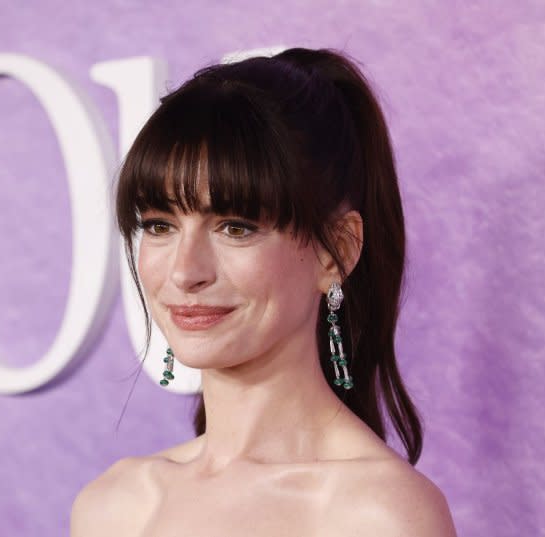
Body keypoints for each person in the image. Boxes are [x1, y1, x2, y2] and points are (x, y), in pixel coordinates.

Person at [71, 47, 458, 536]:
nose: (185, 271)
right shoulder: (116, 506)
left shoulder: (378, 514)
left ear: (336, 251)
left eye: (235, 228)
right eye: (159, 225)